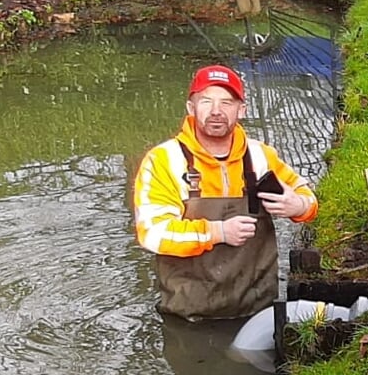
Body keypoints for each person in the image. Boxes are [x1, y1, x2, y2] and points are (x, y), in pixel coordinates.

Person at [132, 64, 319, 322]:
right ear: (191, 108)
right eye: (206, 101)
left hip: (259, 309)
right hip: (189, 316)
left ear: (241, 110)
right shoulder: (164, 160)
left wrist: (298, 205)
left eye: (227, 102)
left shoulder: (260, 156)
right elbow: (153, 234)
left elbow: (309, 200)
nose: (216, 111)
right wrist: (217, 232)